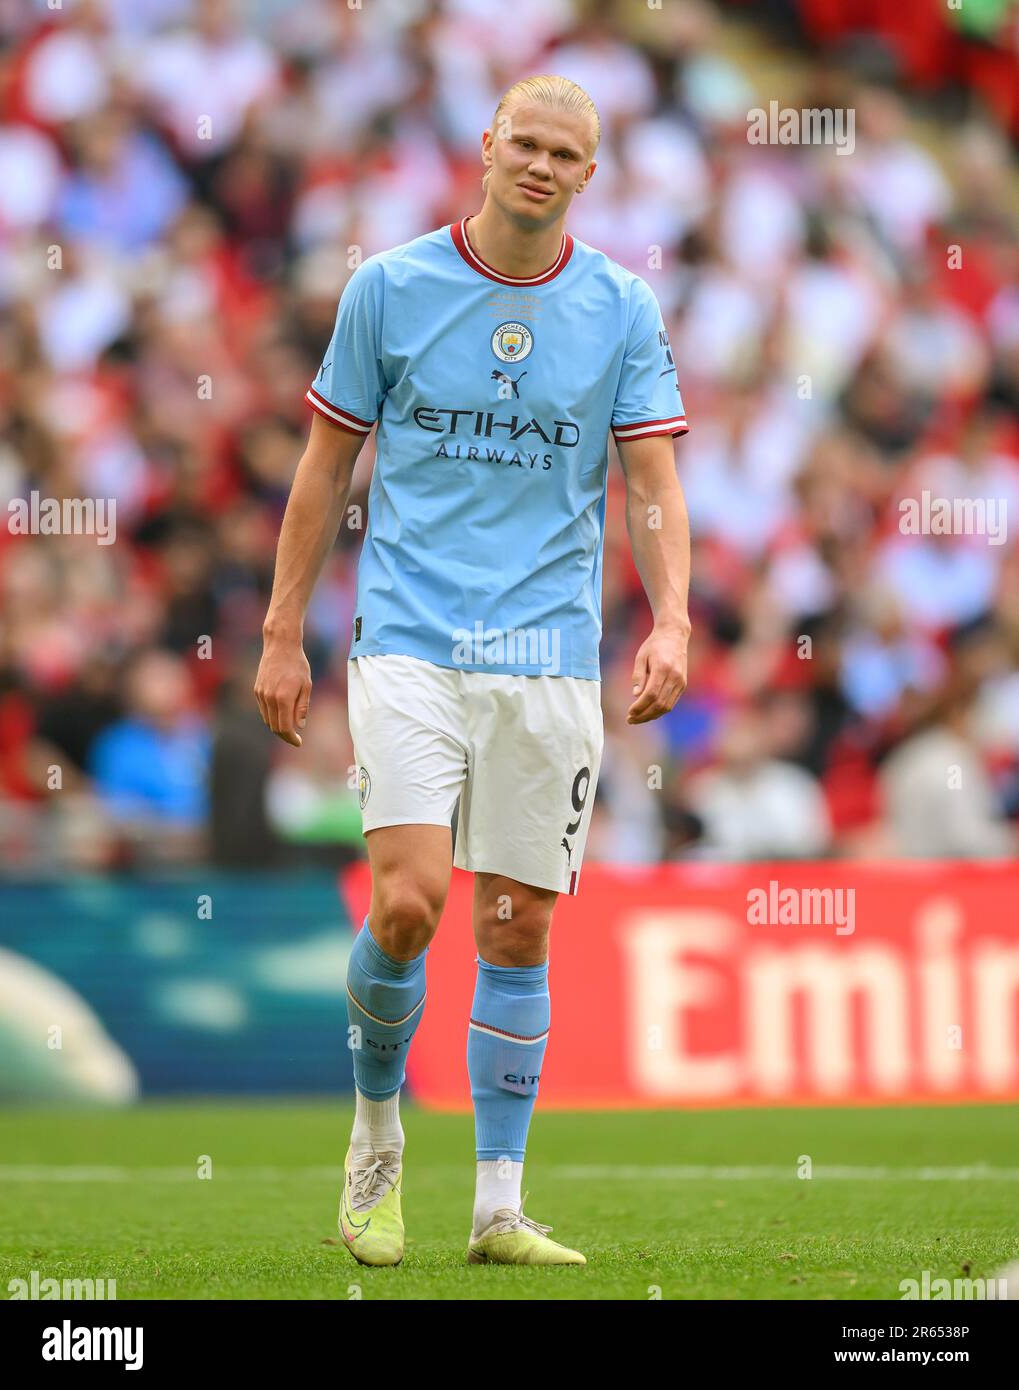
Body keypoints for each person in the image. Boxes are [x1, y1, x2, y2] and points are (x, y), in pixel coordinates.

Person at [254, 74, 692, 1268]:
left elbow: (651, 484)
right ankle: (377, 1141)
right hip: (407, 639)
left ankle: (498, 1206)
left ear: (589, 175)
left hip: (548, 656)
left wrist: (672, 620)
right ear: (487, 145)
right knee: (408, 900)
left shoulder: (618, 305)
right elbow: (322, 469)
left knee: (514, 930)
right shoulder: (389, 288)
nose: (542, 166)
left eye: (567, 153)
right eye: (527, 143)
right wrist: (283, 631)